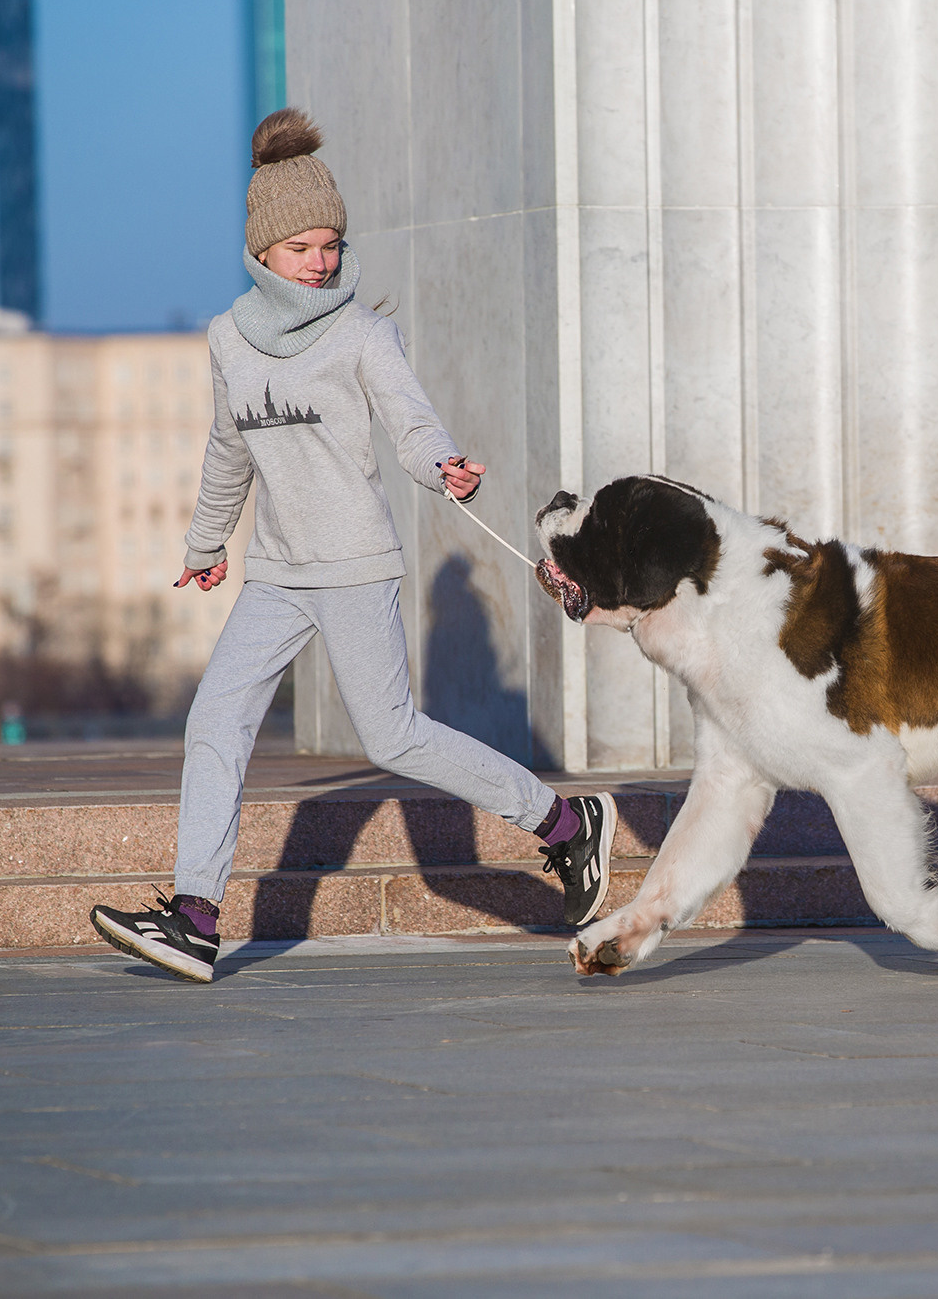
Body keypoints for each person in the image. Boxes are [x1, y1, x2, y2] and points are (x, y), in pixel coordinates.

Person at [92, 109, 615, 983]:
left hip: (355, 566)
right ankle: (193, 916)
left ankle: (564, 825)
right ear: (263, 250)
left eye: (332, 243)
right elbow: (229, 444)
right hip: (278, 573)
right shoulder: (229, 338)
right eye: (304, 247)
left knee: (396, 737)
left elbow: (410, 423)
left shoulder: (362, 334)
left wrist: (442, 463)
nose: (323, 261)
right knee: (215, 717)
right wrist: (207, 539)